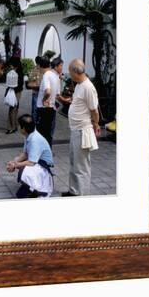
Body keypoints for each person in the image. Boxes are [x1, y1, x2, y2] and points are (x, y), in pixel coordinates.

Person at [62, 59, 100, 196]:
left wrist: (96, 124)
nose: (69, 74)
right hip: (75, 130)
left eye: (70, 70)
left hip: (82, 130)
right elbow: (79, 103)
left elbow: (94, 110)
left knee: (81, 167)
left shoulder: (88, 87)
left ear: (75, 71)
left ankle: (81, 195)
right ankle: (74, 191)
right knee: (74, 163)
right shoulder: (79, 85)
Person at [6, 114, 54, 198]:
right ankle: (30, 185)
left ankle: (35, 188)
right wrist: (13, 162)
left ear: (23, 128)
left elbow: (31, 162)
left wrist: (15, 164)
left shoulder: (34, 139)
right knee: (20, 164)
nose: (18, 127)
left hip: (44, 167)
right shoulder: (29, 134)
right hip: (37, 161)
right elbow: (25, 154)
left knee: (24, 168)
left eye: (19, 125)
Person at [35, 57, 57, 146]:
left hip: (44, 108)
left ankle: (43, 154)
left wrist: (44, 99)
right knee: (48, 132)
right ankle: (48, 152)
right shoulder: (54, 75)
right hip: (51, 107)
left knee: (42, 132)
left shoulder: (46, 76)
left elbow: (47, 91)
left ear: (40, 66)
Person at [49, 57, 72, 140]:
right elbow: (57, 95)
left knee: (48, 129)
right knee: (50, 129)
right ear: (56, 67)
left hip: (48, 106)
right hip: (50, 107)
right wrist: (66, 100)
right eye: (61, 66)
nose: (62, 68)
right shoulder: (55, 77)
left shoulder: (49, 74)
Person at [5, 57, 24, 134]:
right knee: (14, 109)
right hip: (15, 92)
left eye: (11, 65)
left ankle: (11, 127)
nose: (10, 66)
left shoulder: (18, 72)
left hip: (15, 92)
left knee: (12, 109)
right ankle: (14, 126)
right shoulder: (16, 71)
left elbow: (19, 84)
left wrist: (12, 88)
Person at [26, 56, 42, 123]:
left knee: (35, 109)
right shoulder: (42, 70)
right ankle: (37, 123)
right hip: (40, 92)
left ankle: (34, 123)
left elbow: (29, 80)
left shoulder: (33, 69)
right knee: (39, 109)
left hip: (35, 91)